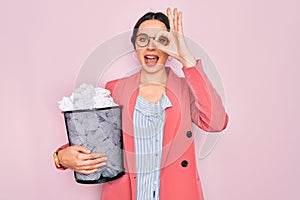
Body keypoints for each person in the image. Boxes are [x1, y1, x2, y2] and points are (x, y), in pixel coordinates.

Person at [54, 7, 229, 200]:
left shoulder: (187, 89)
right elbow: (94, 139)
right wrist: (61, 157)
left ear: (171, 50)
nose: (151, 47)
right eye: (143, 39)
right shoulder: (114, 90)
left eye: (161, 39)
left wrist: (186, 59)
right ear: (135, 47)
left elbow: (216, 122)